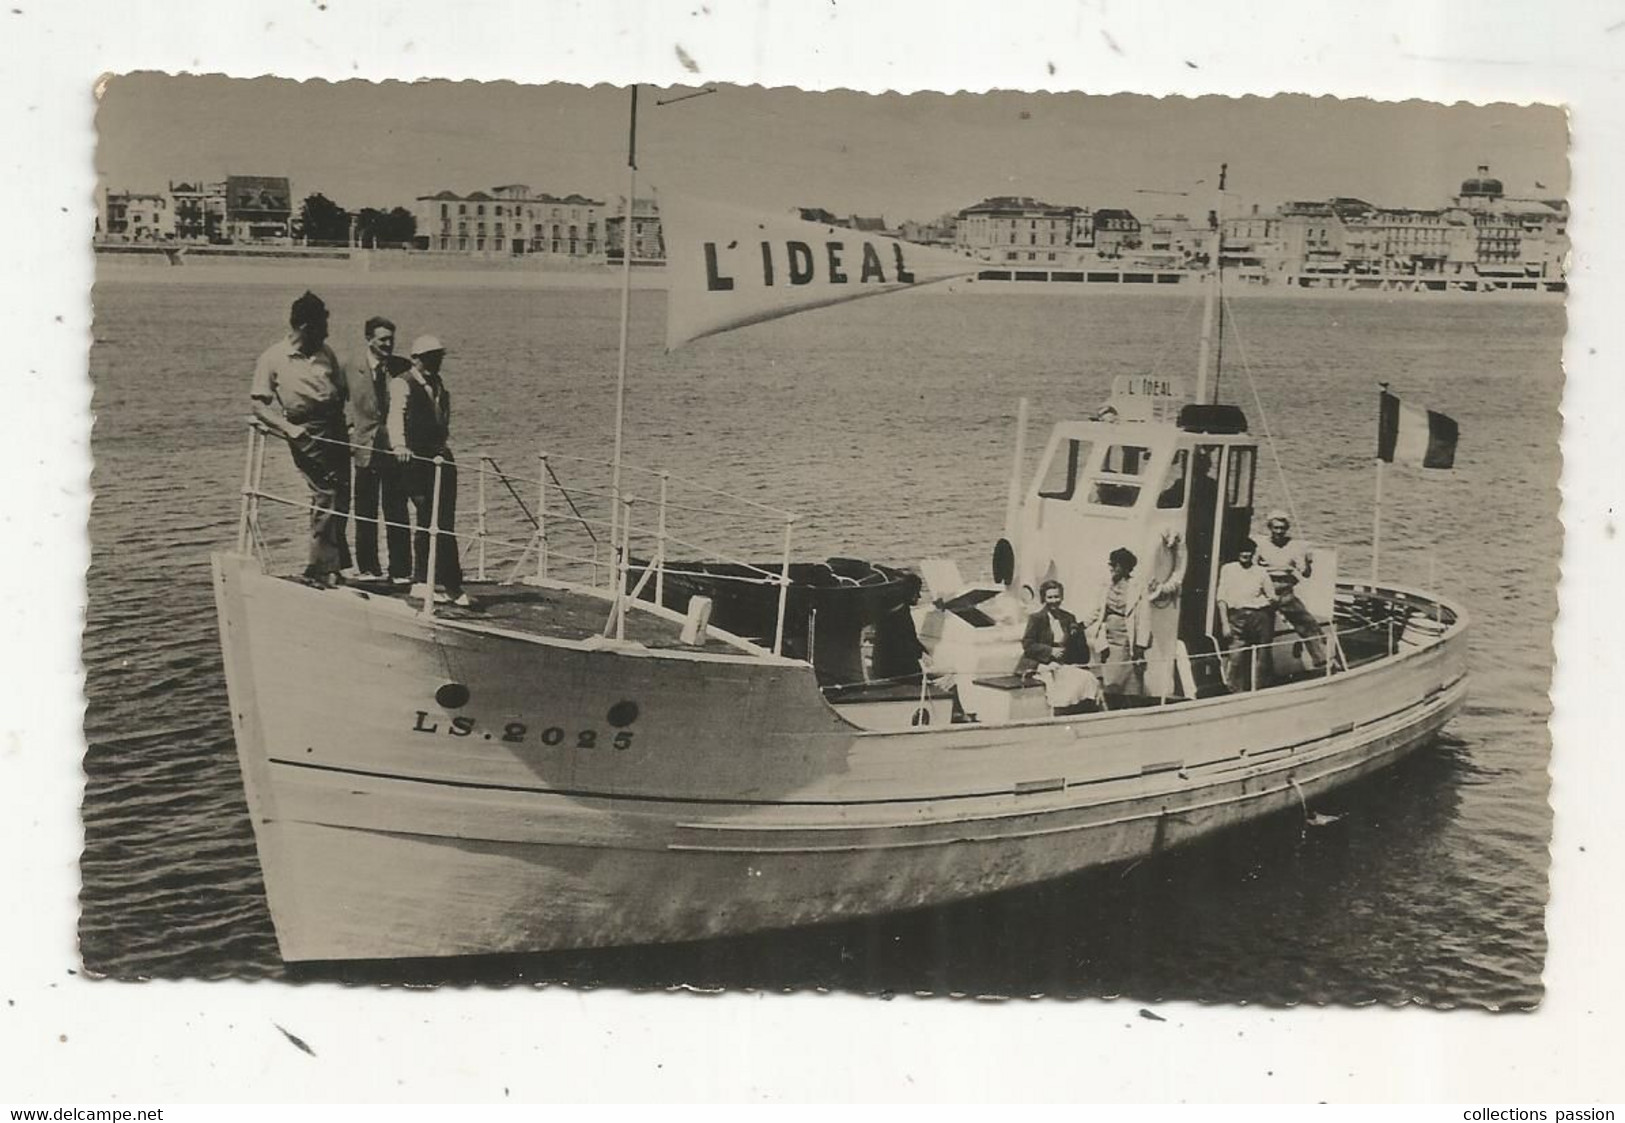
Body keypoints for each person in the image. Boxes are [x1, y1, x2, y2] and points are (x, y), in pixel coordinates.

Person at [249, 290, 352, 586]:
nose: (328, 332)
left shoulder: (325, 352)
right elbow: (258, 405)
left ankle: (329, 563)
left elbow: (339, 388)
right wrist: (289, 429)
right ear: (306, 327)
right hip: (306, 431)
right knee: (326, 492)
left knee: (342, 495)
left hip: (335, 427)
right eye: (322, 326)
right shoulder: (273, 357)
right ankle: (323, 568)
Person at [389, 334, 471, 608]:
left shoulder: (437, 384)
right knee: (426, 518)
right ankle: (421, 581)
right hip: (415, 459)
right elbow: (396, 417)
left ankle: (451, 583)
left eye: (438, 357)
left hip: (439, 457)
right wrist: (400, 446)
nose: (435, 362)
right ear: (416, 359)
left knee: (445, 521)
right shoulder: (403, 384)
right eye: (430, 357)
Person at [347, 315, 413, 585]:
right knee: (365, 510)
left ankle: (400, 571)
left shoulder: (401, 368)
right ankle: (369, 569)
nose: (388, 344)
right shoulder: (350, 367)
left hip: (394, 450)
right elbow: (338, 400)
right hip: (364, 447)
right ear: (369, 339)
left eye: (391, 339)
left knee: (397, 510)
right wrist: (349, 430)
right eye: (383, 339)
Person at [1253, 509, 1328, 670]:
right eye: (1276, 528)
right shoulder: (1260, 545)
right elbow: (1252, 568)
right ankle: (1262, 672)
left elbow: (1306, 573)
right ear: (1270, 528)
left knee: (1308, 624)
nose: (1279, 532)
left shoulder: (1295, 547)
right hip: (1266, 592)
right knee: (1263, 634)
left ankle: (1321, 661)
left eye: (1282, 528)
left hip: (1286, 591)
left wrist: (1308, 562)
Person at [1083, 547, 1152, 700]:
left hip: (1128, 639)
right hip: (1109, 639)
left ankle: (1130, 704)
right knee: (1111, 677)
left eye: (1115, 565)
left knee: (1131, 677)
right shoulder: (1106, 585)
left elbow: (1145, 617)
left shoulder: (1137, 587)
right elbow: (1098, 610)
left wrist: (1141, 645)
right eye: (1111, 564)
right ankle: (1112, 702)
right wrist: (1082, 624)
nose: (1112, 568)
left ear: (1126, 567)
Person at [1215, 537, 1278, 692]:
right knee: (1236, 657)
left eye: (1249, 551)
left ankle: (1261, 689)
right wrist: (1225, 624)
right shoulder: (1228, 569)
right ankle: (1235, 692)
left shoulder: (1260, 571)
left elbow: (1272, 596)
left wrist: (1268, 603)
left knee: (1262, 656)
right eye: (1242, 551)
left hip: (1260, 616)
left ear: (1253, 553)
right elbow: (1221, 598)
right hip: (1237, 617)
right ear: (1237, 553)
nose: (1245, 554)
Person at [1017, 579, 1089, 674]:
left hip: (1063, 664)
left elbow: (1078, 645)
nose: (1054, 601)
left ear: (1062, 597)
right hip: (1039, 664)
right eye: (1050, 597)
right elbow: (1028, 644)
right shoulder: (1036, 618)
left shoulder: (1069, 618)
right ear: (1044, 599)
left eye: (1057, 597)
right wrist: (1050, 651)